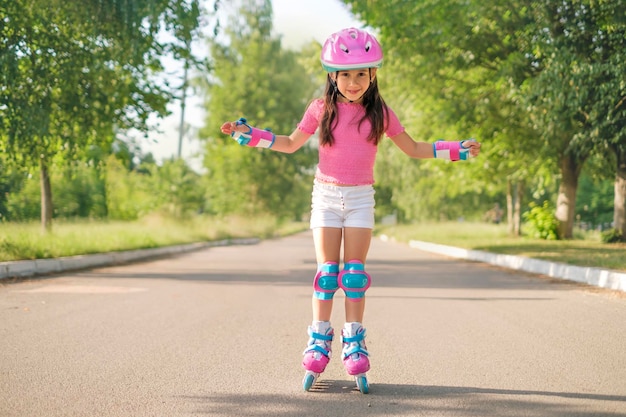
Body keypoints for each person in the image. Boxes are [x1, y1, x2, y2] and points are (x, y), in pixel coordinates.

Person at [220, 27, 481, 393]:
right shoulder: (320, 108)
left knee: (354, 276)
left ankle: (354, 340)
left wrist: (457, 150)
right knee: (327, 275)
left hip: (360, 199)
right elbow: (291, 143)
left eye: (362, 73)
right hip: (326, 197)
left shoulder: (381, 113)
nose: (354, 82)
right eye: (346, 74)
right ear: (333, 75)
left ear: (373, 74)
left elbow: (415, 148)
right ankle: (318, 340)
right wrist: (252, 136)